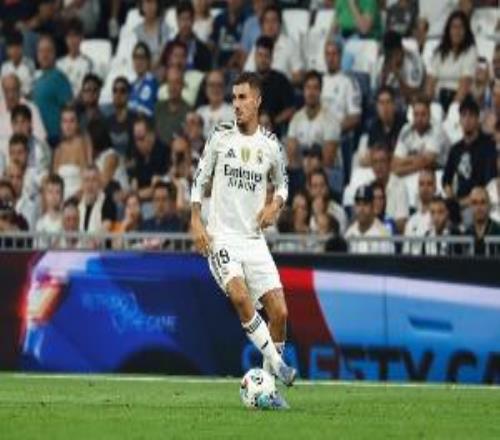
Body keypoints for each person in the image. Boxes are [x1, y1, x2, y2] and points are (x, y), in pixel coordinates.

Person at [190, 72, 297, 401]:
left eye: (242, 97)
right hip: (222, 237)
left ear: (257, 101)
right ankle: (279, 364)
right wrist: (196, 219)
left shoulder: (270, 145)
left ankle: (268, 389)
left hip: (253, 241)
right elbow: (200, 178)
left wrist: (274, 206)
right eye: (233, 98)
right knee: (239, 296)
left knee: (280, 313)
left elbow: (283, 184)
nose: (236, 104)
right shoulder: (220, 136)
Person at [287, 70, 343, 194]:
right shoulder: (296, 119)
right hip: (301, 173)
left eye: (315, 88)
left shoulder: (331, 120)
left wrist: (309, 164)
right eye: (308, 88)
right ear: (303, 91)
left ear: (320, 91)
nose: (311, 92)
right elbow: (291, 158)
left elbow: (328, 160)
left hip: (327, 175)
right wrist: (305, 164)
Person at [443, 95, 497, 208]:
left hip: (481, 202)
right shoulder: (456, 149)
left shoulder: (488, 146)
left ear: (477, 119)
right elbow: (446, 179)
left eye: (471, 115)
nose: (467, 120)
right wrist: (452, 200)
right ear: (460, 120)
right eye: (464, 115)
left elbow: (489, 182)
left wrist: (465, 202)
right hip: (459, 202)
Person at [425, 10, 477, 113]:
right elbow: (431, 80)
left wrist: (452, 109)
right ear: (448, 30)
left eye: (461, 27)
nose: (457, 31)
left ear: (466, 30)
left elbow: (465, 84)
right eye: (454, 27)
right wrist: (428, 103)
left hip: (460, 100)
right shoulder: (440, 52)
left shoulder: (470, 51)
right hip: (439, 98)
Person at [243, 4, 304, 85]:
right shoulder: (258, 44)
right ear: (262, 26)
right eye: (267, 21)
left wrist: (282, 82)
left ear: (280, 24)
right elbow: (247, 72)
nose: (270, 25)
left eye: (274, 21)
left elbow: (299, 76)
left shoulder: (290, 44)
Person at [32, 34, 73, 146]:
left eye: (48, 51)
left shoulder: (59, 78)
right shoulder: (37, 80)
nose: (44, 55)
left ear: (54, 54)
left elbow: (68, 108)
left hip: (55, 139)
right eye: (41, 51)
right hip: (39, 138)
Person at [392, 96, 444, 177]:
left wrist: (400, 169)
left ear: (429, 115)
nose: (419, 119)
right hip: (411, 174)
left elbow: (426, 162)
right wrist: (416, 159)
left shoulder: (437, 130)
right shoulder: (406, 129)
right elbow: (395, 161)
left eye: (423, 114)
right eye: (416, 114)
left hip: (437, 174)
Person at [253, 36, 295, 134]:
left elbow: (291, 109)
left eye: (266, 56)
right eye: (260, 55)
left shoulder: (281, 80)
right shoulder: (247, 82)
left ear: (271, 58)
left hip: (276, 132)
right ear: (255, 57)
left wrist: (273, 121)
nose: (263, 60)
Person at [321, 41, 362, 136]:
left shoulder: (349, 82)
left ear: (340, 56)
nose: (330, 59)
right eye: (328, 54)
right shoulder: (318, 80)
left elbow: (355, 117)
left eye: (334, 54)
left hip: (339, 135)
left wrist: (333, 131)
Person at [374, 31, 424, 107]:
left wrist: (397, 75)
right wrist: (384, 75)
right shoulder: (382, 60)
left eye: (395, 53)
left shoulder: (414, 60)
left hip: (407, 100)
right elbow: (379, 92)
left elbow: (412, 93)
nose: (392, 57)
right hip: (390, 99)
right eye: (389, 55)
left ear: (400, 49)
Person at [52, 105, 91, 200]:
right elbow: (53, 180)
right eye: (65, 121)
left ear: (77, 124)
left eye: (72, 121)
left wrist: (74, 199)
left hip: (77, 198)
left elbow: (87, 178)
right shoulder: (58, 150)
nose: (68, 126)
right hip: (59, 198)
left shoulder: (81, 144)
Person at [370, 145, 409, 233]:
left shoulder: (400, 186)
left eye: (382, 161)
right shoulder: (368, 187)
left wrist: (382, 229)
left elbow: (401, 224)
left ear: (389, 163)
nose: (379, 166)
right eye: (375, 162)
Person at [345, 185, 394, 254]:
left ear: (373, 207)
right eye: (358, 204)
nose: (361, 209)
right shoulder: (349, 233)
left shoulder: (383, 235)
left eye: (365, 204)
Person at [154, 67, 191, 146]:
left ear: (182, 85)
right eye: (170, 82)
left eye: (177, 82)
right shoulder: (158, 107)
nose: (173, 87)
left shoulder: (189, 111)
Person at [56, 17, 93, 96]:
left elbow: (87, 88)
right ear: (65, 39)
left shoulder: (87, 64)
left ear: (81, 38)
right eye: (69, 36)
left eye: (75, 36)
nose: (72, 40)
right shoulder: (58, 64)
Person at [403, 169, 436, 255]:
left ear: (435, 187)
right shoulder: (411, 221)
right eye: (421, 184)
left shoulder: (440, 217)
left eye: (429, 184)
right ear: (418, 187)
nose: (425, 188)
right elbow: (406, 252)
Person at [173, 2, 212, 72]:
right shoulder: (170, 48)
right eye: (182, 19)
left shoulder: (203, 49)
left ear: (193, 20)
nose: (185, 24)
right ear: (177, 20)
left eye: (188, 19)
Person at [78, 165, 117, 234]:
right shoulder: (77, 203)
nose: (90, 184)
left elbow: (105, 229)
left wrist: (90, 240)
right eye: (87, 180)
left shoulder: (107, 201)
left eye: (94, 180)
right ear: (82, 183)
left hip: (99, 240)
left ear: (99, 182)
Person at [105, 77, 137, 158]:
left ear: (129, 94)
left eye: (122, 91)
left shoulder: (135, 120)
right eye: (115, 91)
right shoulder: (108, 121)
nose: (118, 94)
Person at [196, 70, 234, 138]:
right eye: (211, 85)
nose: (215, 89)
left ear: (225, 88)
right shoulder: (199, 112)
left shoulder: (233, 112)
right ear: (205, 88)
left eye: (219, 85)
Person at [465, 186, 500, 256]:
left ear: (489, 205)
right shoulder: (465, 233)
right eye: (474, 203)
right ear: (470, 206)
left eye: (483, 202)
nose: (479, 207)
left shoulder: (498, 230)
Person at [1, 29, 35, 97]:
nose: (14, 51)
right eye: (11, 48)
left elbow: (31, 89)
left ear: (22, 48)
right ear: (7, 50)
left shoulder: (29, 64)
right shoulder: (5, 67)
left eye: (17, 47)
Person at [129, 42, 159, 117]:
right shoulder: (131, 85)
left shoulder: (154, 84)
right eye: (136, 57)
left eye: (142, 57)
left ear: (148, 60)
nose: (138, 61)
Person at [35, 174, 64, 247]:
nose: (54, 196)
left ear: (62, 195)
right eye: (50, 192)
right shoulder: (40, 223)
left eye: (57, 192)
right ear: (45, 195)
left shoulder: (67, 220)